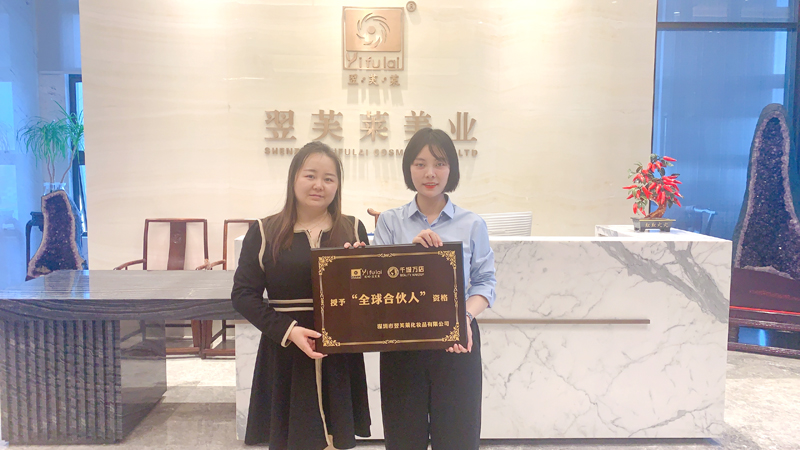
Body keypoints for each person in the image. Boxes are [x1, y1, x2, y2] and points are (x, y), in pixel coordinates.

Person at [232, 141, 371, 450]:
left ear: (337, 185)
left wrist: (361, 269)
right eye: (310, 175)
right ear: (293, 177)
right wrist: (288, 330)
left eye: (329, 178)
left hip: (338, 353)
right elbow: (243, 295)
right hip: (286, 350)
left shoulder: (353, 228)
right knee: (292, 437)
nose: (319, 185)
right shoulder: (265, 231)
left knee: (336, 435)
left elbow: (368, 299)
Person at [373, 128, 496, 450]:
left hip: (456, 341)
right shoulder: (389, 222)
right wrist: (410, 255)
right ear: (408, 169)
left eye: (439, 163)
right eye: (420, 163)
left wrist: (463, 319)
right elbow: (378, 285)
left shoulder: (472, 224)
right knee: (403, 437)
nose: (430, 173)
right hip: (402, 342)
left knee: (458, 436)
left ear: (451, 168)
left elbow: (485, 283)